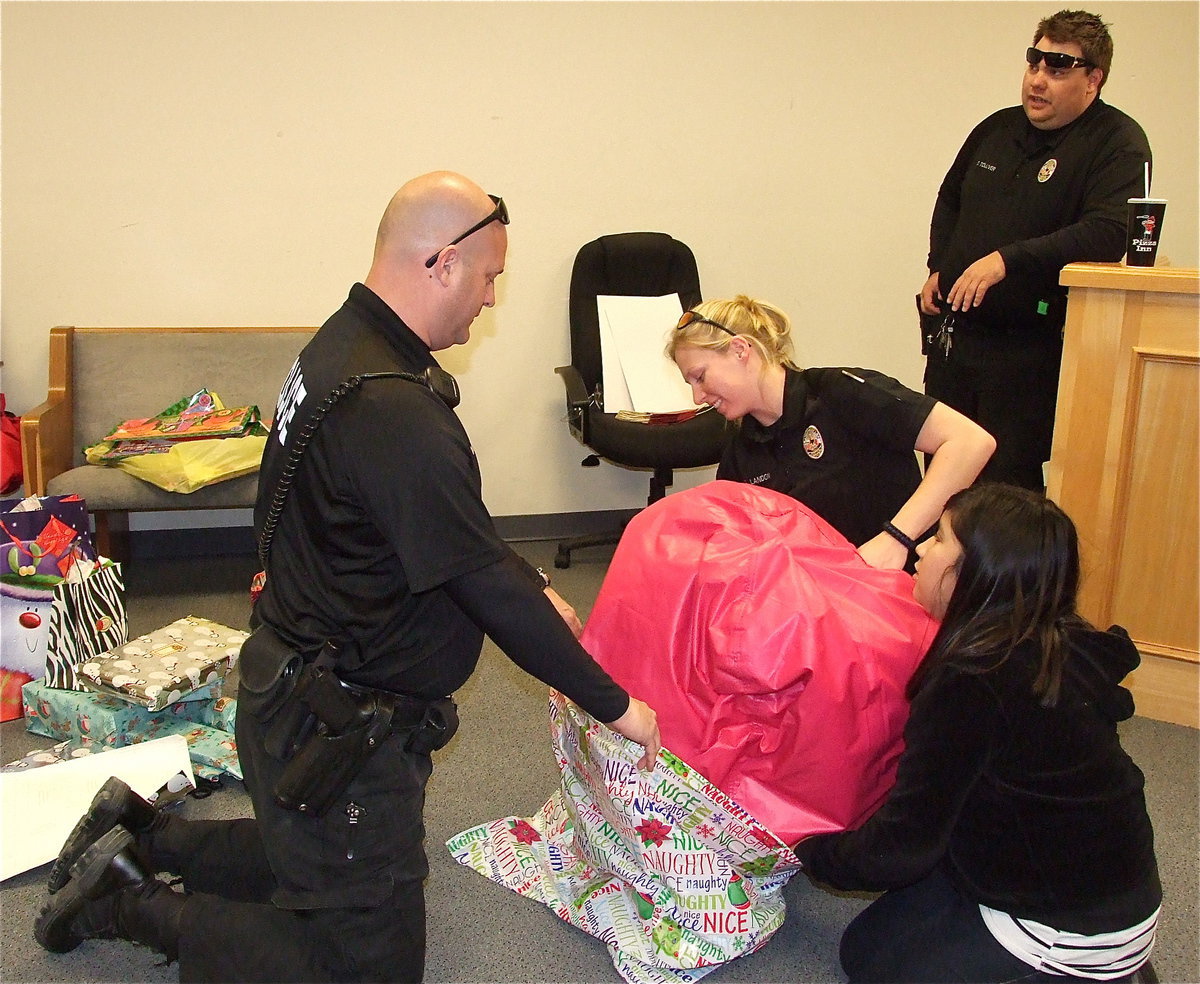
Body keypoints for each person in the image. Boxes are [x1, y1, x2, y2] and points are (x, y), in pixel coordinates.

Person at [34, 171, 660, 982]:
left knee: (316, 863)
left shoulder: (344, 347)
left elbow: (439, 526)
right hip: (334, 731)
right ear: (441, 262)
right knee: (365, 970)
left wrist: (532, 584)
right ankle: (122, 900)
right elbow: (480, 577)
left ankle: (148, 835)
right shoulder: (392, 409)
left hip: (301, 699)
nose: (492, 300)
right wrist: (618, 707)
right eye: (490, 277)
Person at [794, 483, 1161, 983]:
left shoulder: (975, 680)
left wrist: (811, 852)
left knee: (873, 964)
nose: (921, 549)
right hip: (1101, 884)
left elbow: (903, 847)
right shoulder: (1041, 639)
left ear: (978, 573)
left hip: (1074, 926)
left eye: (941, 539)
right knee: (872, 939)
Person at [918, 10, 1152, 492]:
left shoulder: (1117, 142)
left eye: (1058, 68)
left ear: (1094, 80)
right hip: (957, 340)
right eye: (1034, 63)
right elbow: (951, 198)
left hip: (1032, 351)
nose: (1038, 80)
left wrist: (1008, 260)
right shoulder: (997, 129)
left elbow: (1112, 231)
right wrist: (939, 266)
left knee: (1004, 495)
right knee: (942, 481)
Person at [667, 295, 995, 571]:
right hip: (822, 610)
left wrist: (897, 538)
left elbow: (970, 442)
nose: (698, 398)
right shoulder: (741, 452)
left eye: (701, 377)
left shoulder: (841, 392)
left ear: (741, 350)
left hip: (899, 595)